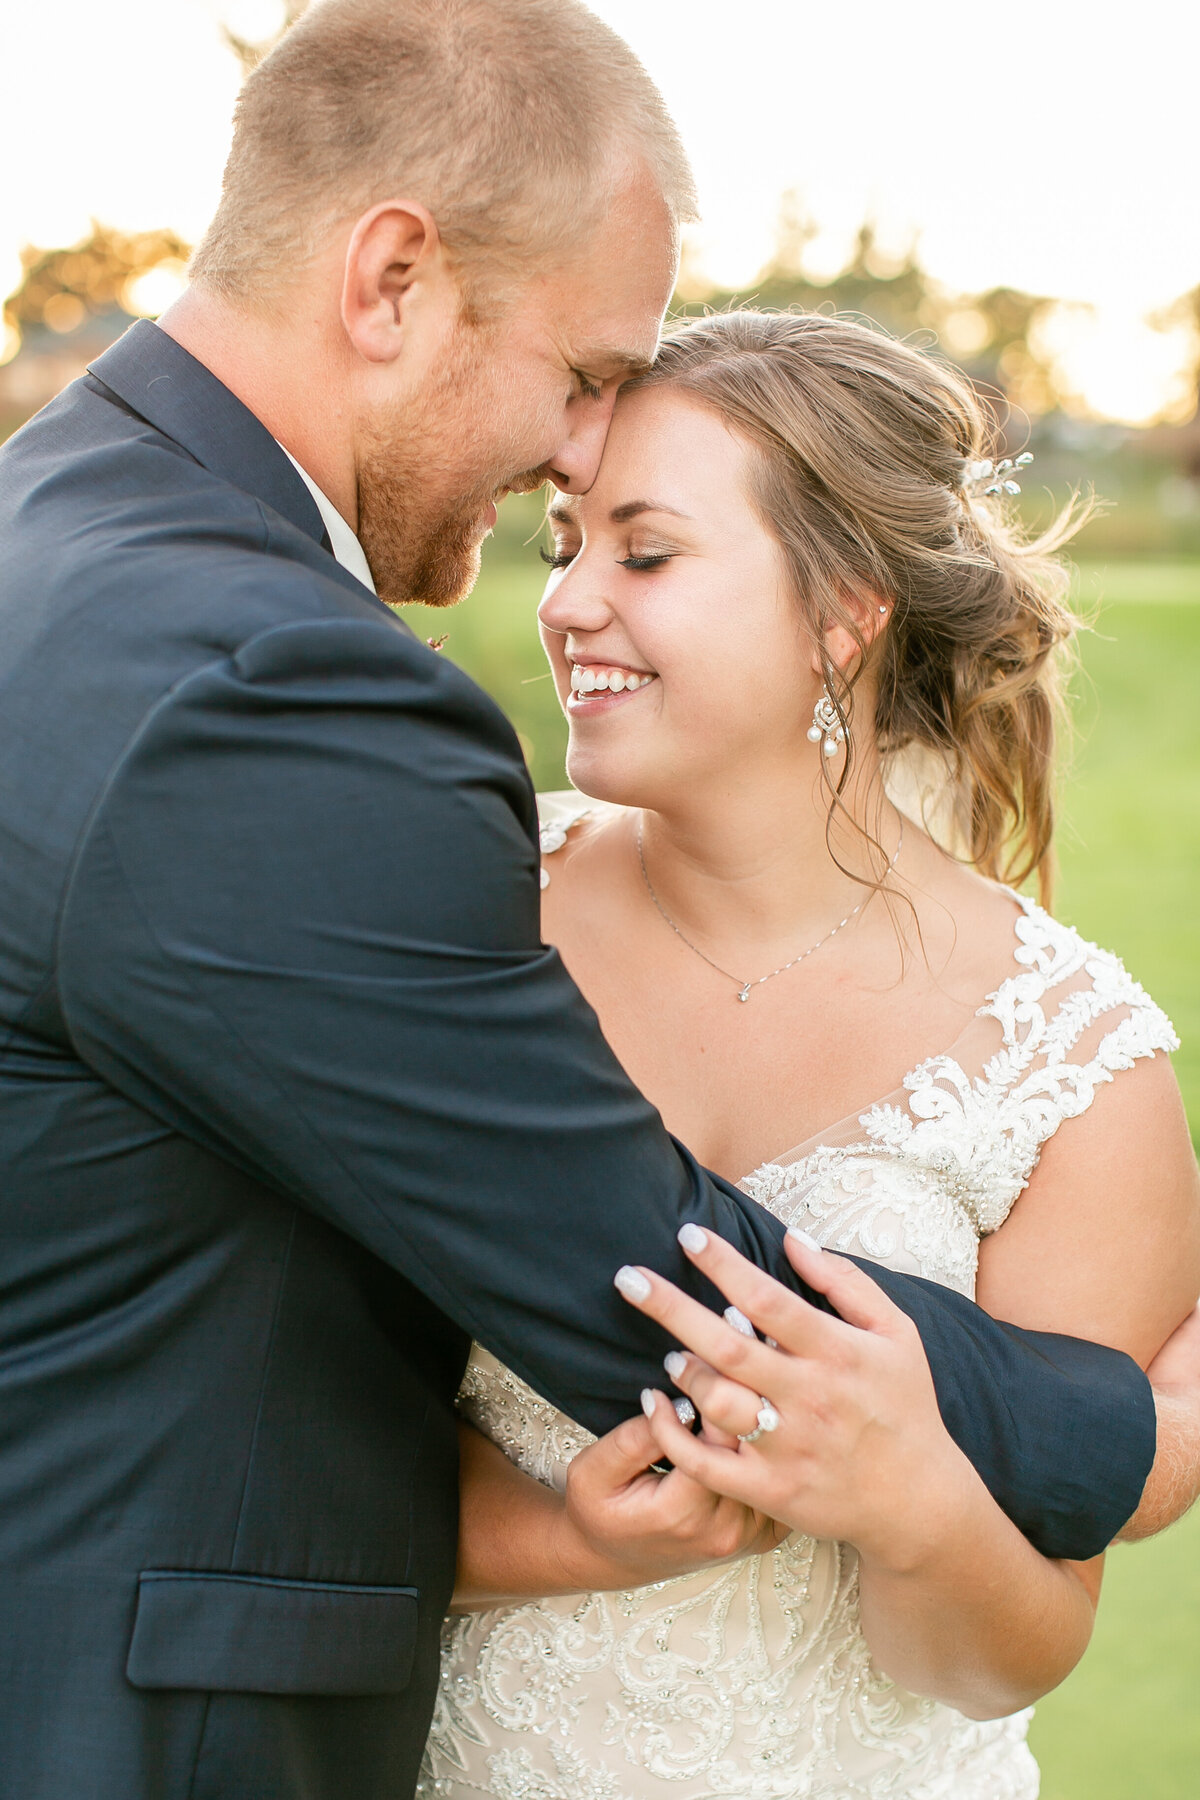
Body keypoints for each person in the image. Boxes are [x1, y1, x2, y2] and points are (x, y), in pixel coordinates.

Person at [0, 3, 1171, 1796]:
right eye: (577, 381)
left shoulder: (53, 542)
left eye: (648, 537)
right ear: (392, 275)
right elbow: (626, 1271)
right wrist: (1136, 1432)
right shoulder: (262, 693)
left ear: (848, 609)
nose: (568, 460)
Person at [418, 311, 1200, 1800]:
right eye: (564, 543)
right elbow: (264, 1440)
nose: (571, 601)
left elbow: (1003, 1657)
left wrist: (908, 1498)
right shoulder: (447, 914)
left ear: (844, 611)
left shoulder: (1070, 1064)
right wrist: (557, 1538)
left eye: (644, 554)